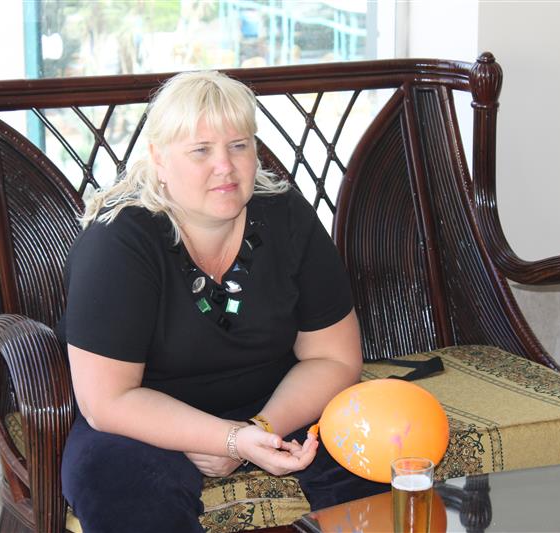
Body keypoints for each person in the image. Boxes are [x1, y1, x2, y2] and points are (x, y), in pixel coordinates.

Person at [59, 70, 387, 533]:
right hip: (147, 420)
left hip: (278, 403)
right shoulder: (119, 241)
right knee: (119, 484)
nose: (225, 166)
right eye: (201, 150)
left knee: (373, 450)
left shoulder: (286, 216)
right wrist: (228, 439)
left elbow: (334, 358)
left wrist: (259, 430)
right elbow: (106, 401)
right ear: (158, 158)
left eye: (239, 145)